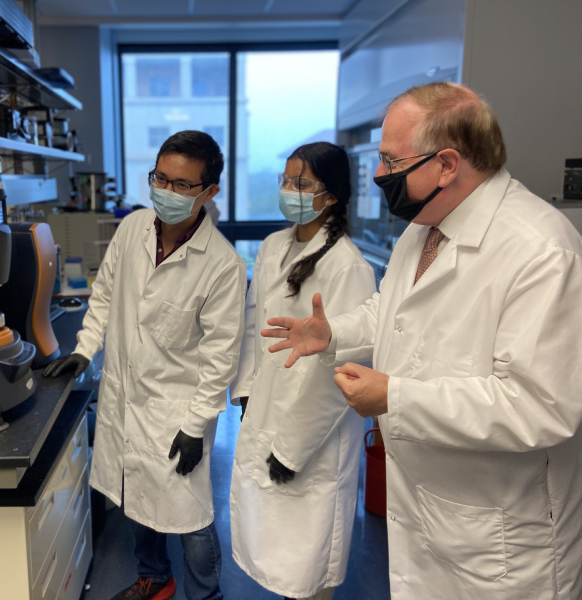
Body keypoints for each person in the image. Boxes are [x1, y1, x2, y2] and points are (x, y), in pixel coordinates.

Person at [261, 82, 582, 600]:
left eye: (389, 160)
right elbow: (391, 310)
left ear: (447, 165)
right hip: (426, 511)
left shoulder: (541, 250)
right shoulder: (426, 225)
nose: (380, 174)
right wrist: (333, 332)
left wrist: (394, 397)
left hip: (499, 539)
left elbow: (541, 405)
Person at [44, 130, 246, 600]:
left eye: (182, 185)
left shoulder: (222, 266)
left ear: (210, 192)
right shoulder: (133, 228)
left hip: (176, 411)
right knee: (136, 496)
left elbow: (220, 357)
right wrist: (83, 348)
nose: (166, 191)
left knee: (191, 517)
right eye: (160, 178)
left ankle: (205, 594)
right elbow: (105, 295)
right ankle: (154, 577)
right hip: (125, 397)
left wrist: (197, 426)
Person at [229, 142, 376, 600]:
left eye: (302, 183)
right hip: (267, 410)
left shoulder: (348, 266)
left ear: (331, 195)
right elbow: (256, 324)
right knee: (267, 545)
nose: (290, 190)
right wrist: (248, 391)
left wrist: (293, 449)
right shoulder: (274, 245)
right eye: (286, 180)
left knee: (308, 564)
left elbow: (344, 373)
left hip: (314, 436)